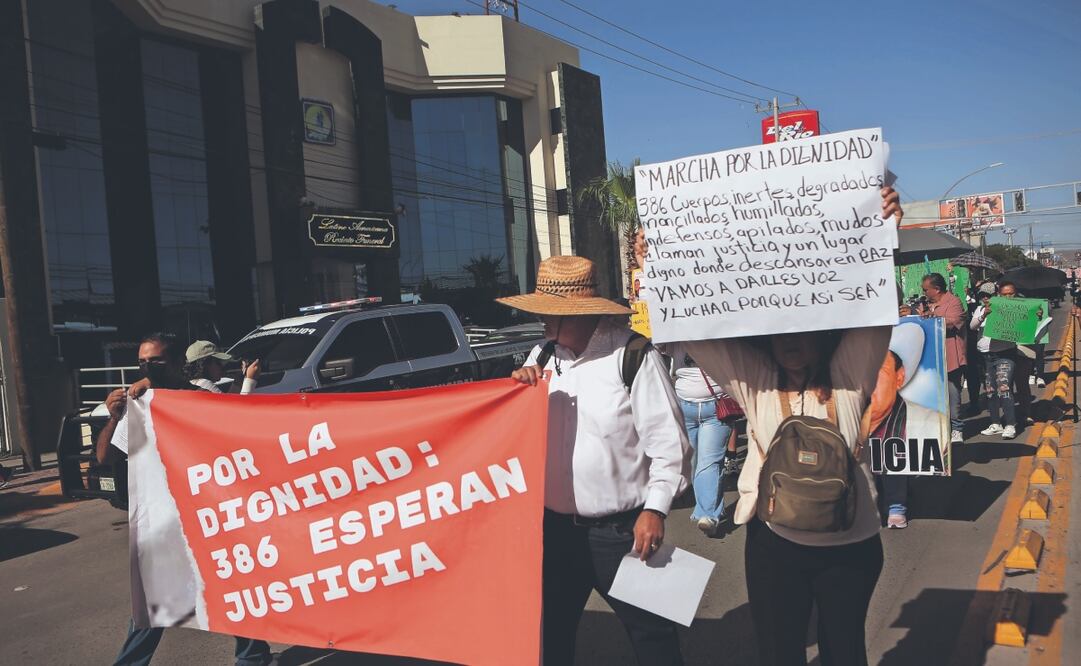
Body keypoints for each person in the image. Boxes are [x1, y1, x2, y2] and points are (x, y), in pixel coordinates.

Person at [637, 186, 903, 666]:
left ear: (824, 334)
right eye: (781, 331)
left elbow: (874, 311)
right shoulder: (756, 382)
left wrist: (882, 232)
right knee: (779, 652)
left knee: (845, 650)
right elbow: (692, 330)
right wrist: (656, 270)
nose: (790, 341)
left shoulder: (848, 378)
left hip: (851, 544)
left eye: (803, 330)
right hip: (774, 545)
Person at [501, 255, 690, 666]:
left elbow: (670, 446)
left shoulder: (634, 356)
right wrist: (518, 392)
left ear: (584, 314)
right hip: (555, 532)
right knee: (550, 633)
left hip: (623, 531)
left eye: (554, 316)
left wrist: (656, 510)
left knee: (654, 635)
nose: (545, 324)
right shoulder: (542, 354)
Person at [96, 333, 272, 666]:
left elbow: (238, 438)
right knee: (154, 601)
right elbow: (106, 458)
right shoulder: (139, 405)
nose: (147, 367)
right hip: (164, 522)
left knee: (230, 585)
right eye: (142, 362)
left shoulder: (200, 400)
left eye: (156, 361)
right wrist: (114, 417)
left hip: (207, 518)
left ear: (178, 363)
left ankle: (254, 656)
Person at [665, 344, 733, 535]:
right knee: (693, 462)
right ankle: (709, 507)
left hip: (715, 409)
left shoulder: (721, 336)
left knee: (709, 462)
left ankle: (709, 514)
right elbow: (658, 343)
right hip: (684, 408)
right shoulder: (675, 339)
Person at [918, 273, 967, 443]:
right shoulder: (925, 304)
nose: (923, 292)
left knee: (953, 392)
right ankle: (937, 427)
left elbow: (954, 321)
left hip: (950, 356)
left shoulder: (953, 302)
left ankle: (957, 428)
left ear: (936, 289)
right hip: (929, 357)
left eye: (925, 289)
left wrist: (933, 318)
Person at [970, 283, 1019, 439]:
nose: (985, 298)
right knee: (990, 391)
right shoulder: (979, 309)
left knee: (1004, 387)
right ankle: (995, 423)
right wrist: (983, 315)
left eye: (988, 295)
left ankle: (1010, 424)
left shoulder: (1007, 308)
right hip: (986, 356)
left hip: (1004, 354)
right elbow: (972, 326)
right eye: (982, 295)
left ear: (996, 296)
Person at [184, 340, 260, 394]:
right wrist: (249, 380)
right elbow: (231, 412)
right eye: (218, 362)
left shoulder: (195, 383)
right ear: (204, 364)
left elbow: (227, 402)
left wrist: (238, 381)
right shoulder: (205, 385)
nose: (221, 366)